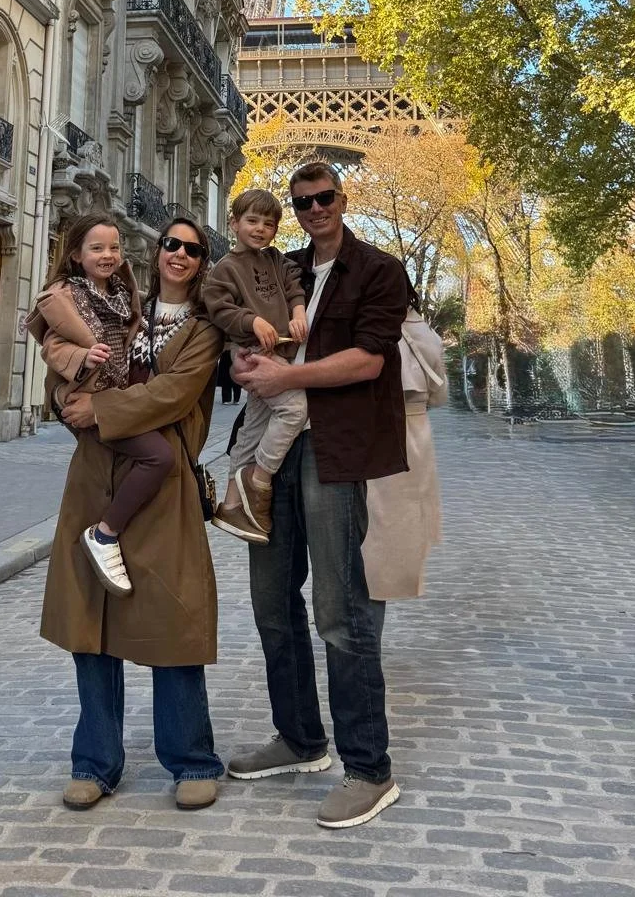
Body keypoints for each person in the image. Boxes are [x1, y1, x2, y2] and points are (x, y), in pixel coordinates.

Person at [227, 161, 408, 830]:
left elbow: (369, 360)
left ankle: (368, 767)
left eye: (324, 198)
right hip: (275, 445)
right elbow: (242, 332)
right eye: (302, 202)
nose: (313, 209)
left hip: (336, 451)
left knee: (340, 608)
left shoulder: (379, 270)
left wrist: (288, 374)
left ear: (342, 197)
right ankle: (300, 738)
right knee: (271, 600)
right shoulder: (283, 268)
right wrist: (248, 367)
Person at [38, 217, 224, 812]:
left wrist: (103, 408)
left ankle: (191, 758)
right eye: (171, 243)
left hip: (163, 486)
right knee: (91, 630)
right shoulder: (121, 308)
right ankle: (95, 761)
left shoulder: (203, 329)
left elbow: (174, 393)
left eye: (193, 249)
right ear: (158, 251)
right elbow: (62, 362)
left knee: (173, 622)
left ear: (202, 263)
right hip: (96, 479)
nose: (180, 254)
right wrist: (69, 394)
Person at [30, 216, 172, 597]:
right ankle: (105, 533)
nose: (108, 255)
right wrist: (82, 356)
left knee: (140, 459)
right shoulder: (64, 297)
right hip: (83, 397)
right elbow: (51, 346)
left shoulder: (124, 293)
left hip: (112, 396)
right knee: (158, 456)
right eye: (97, 248)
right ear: (76, 255)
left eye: (114, 247)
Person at [204, 188, 309, 542]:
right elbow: (217, 308)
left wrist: (297, 312)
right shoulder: (225, 269)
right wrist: (252, 322)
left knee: (252, 429)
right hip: (254, 353)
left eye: (269, 223)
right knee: (295, 410)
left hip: (279, 350)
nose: (261, 229)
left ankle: (232, 504)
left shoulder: (276, 260)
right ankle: (260, 477)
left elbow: (294, 285)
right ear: (233, 223)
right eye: (252, 220)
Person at [361, 283, 445, 602]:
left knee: (374, 538)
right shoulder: (423, 330)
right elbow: (440, 394)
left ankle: (367, 630)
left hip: (379, 431)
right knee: (405, 530)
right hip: (417, 435)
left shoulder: (369, 324)